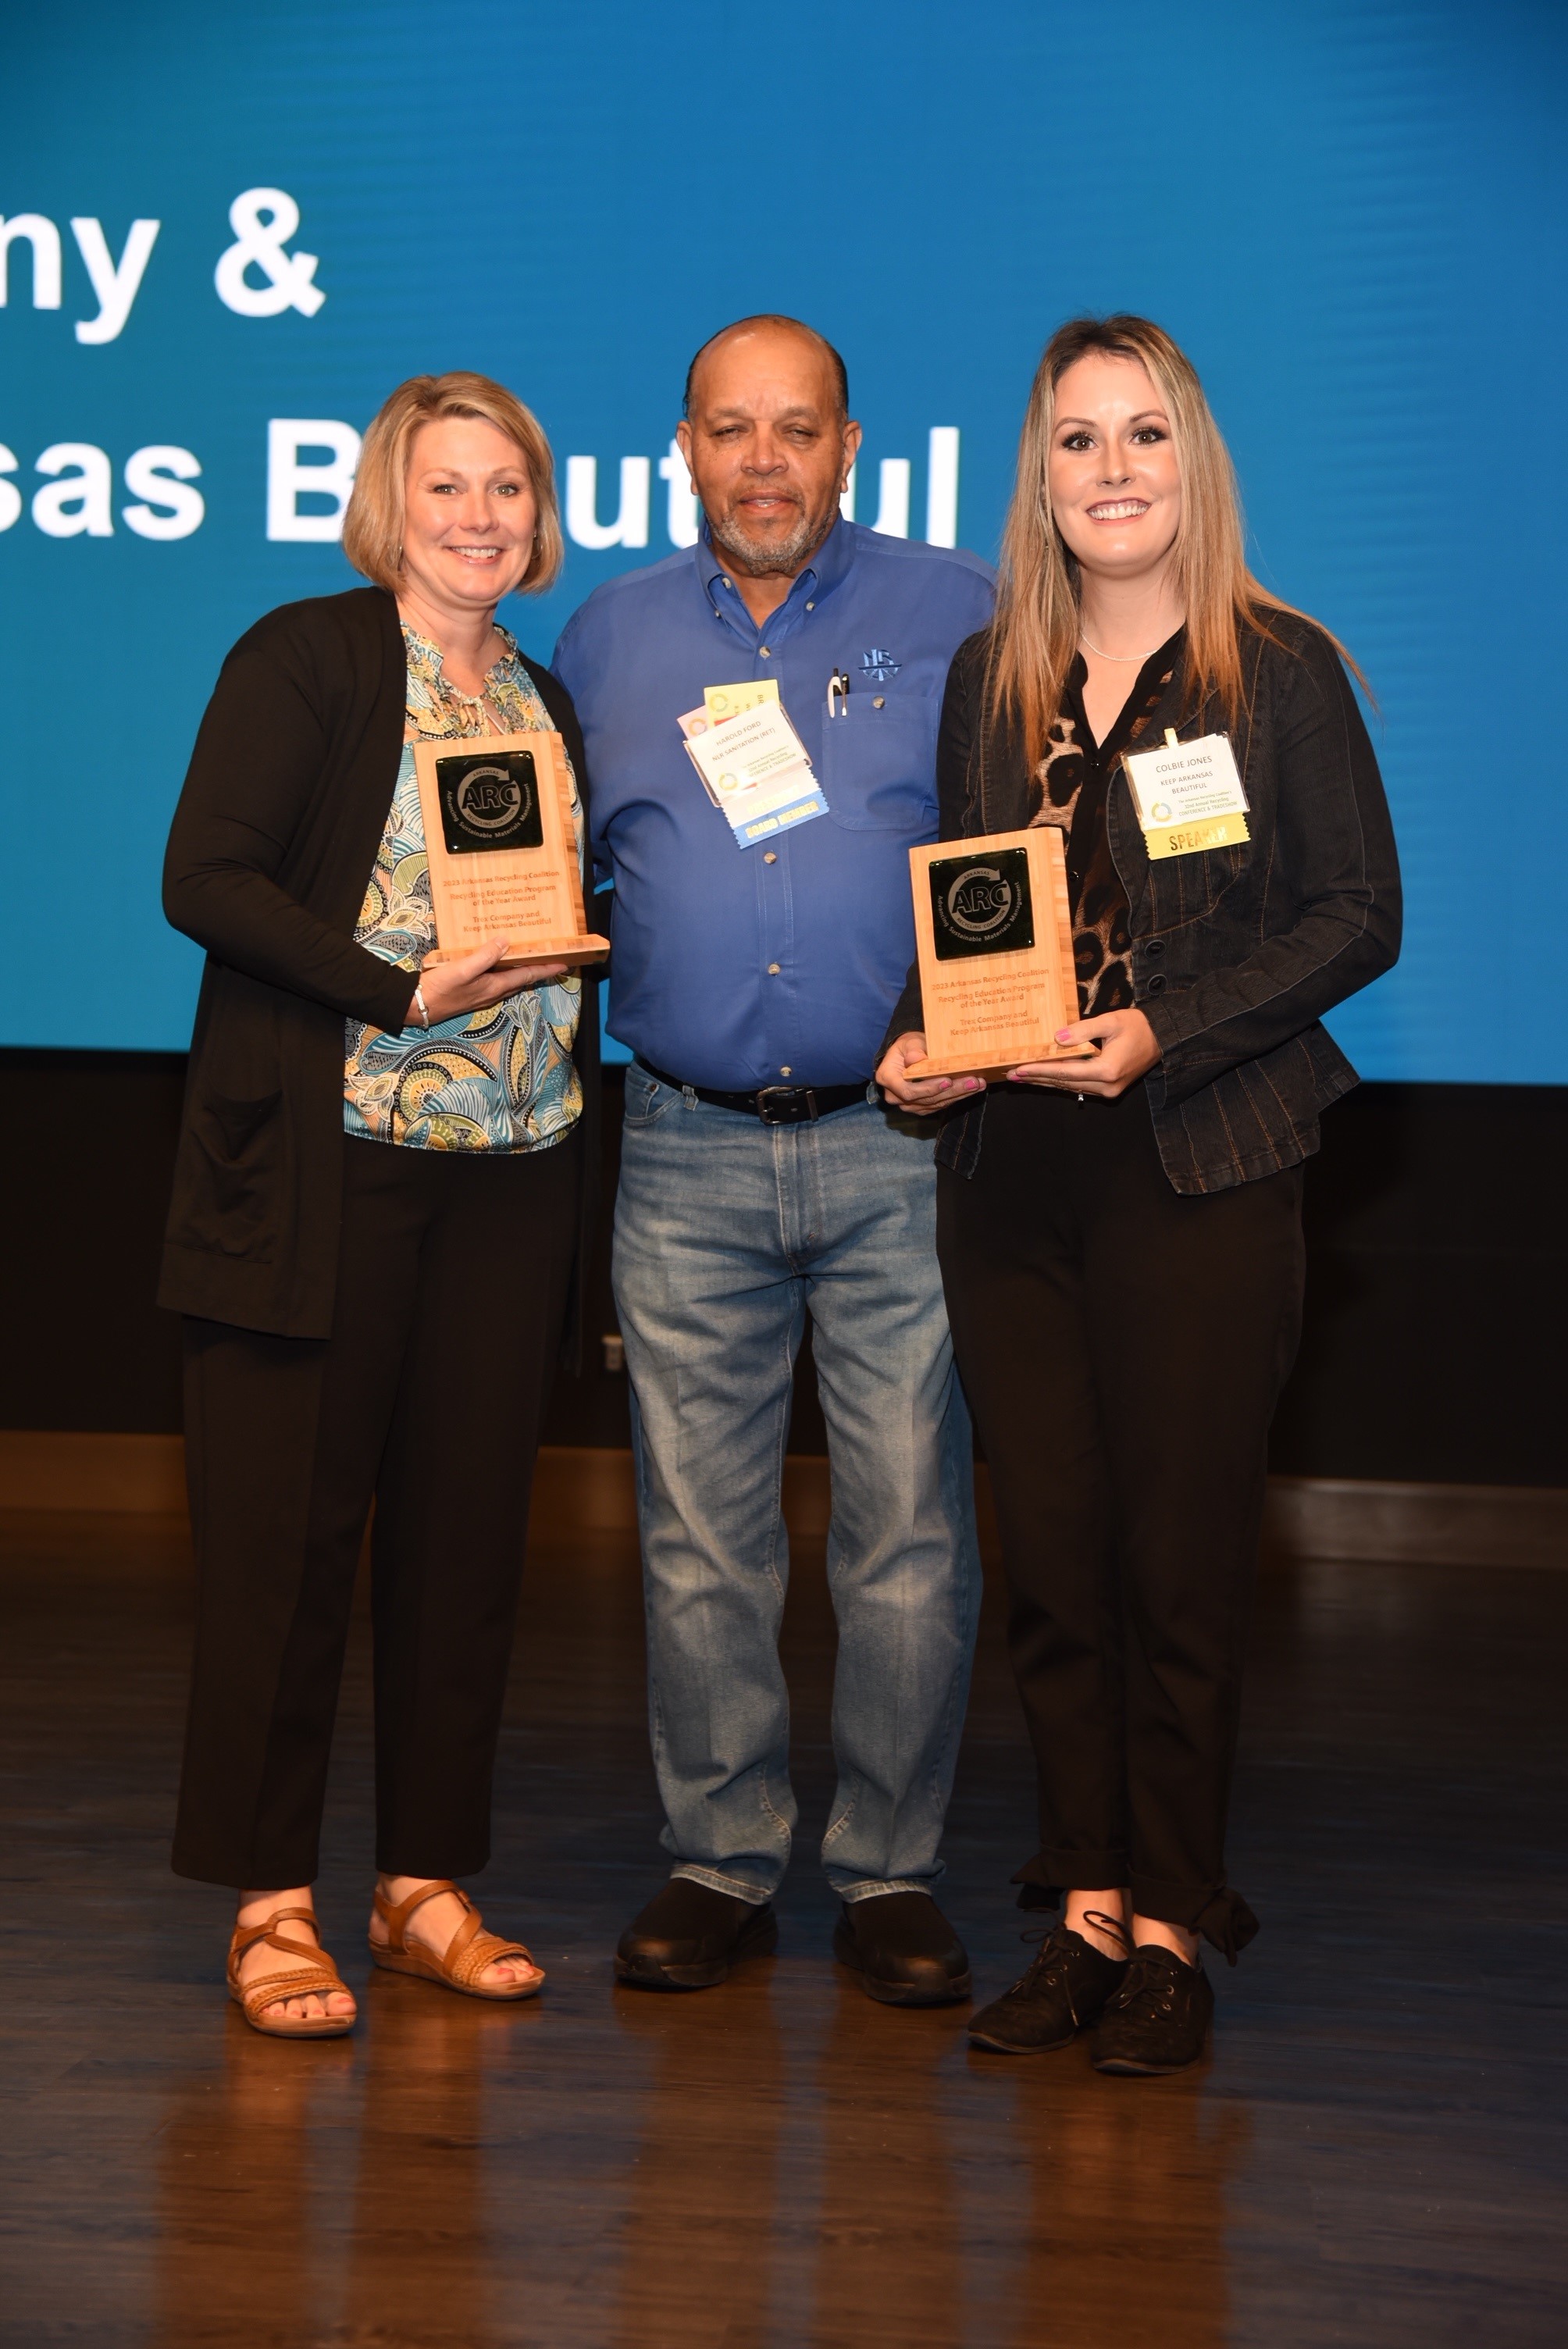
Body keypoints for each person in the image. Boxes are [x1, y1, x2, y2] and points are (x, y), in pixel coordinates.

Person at [878, 314, 1401, 2074]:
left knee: (1176, 1571)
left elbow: (1353, 915)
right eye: (1077, 440)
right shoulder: (990, 681)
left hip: (1197, 1164)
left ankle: (1174, 1928)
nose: (1109, 470)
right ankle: (1083, 1911)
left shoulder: (1277, 670)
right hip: (1007, 1175)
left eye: (1142, 435)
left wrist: (1161, 1027)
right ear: (1035, 474)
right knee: (1056, 1572)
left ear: (1194, 464)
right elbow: (967, 923)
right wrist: (915, 1050)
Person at [553, 315, 996, 2003]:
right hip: (677, 1145)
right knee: (695, 1535)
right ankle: (721, 1855)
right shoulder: (604, 637)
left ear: (847, 446)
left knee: (905, 1533)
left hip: (898, 1147)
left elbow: (1027, 846)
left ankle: (887, 1870)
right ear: (684, 449)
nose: (760, 460)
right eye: (729, 430)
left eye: (792, 429)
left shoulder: (955, 613)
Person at [161, 371, 600, 2037]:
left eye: (504, 487)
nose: (478, 516)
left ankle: (420, 1884)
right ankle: (271, 1903)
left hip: (514, 1172)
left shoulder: (547, 700)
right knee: (286, 1550)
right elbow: (204, 876)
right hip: (324, 1179)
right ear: (388, 508)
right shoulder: (309, 658)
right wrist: (395, 989)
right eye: (445, 488)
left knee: (464, 1549)